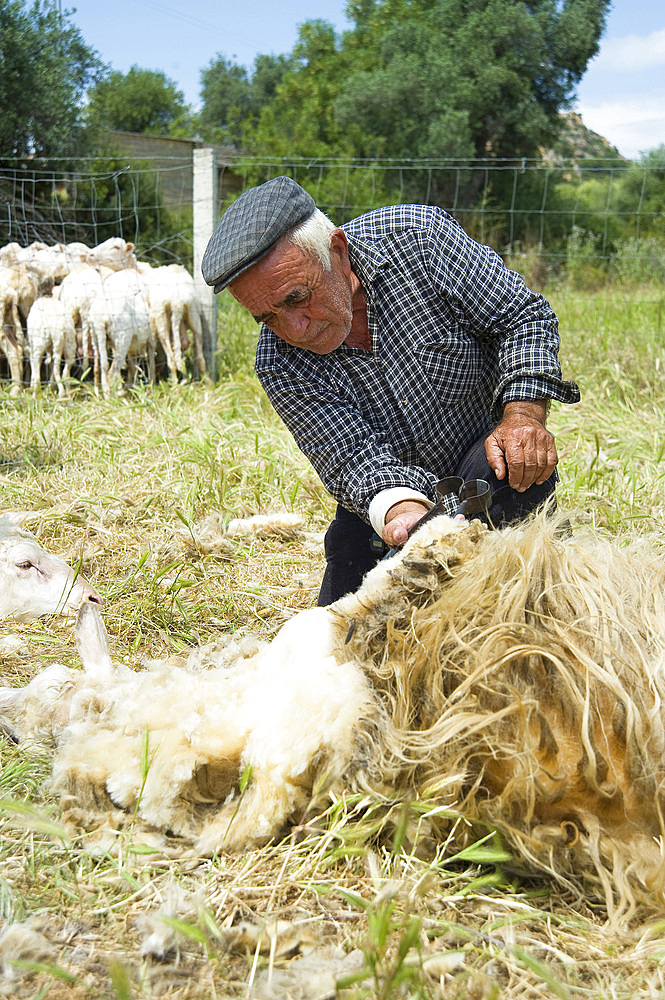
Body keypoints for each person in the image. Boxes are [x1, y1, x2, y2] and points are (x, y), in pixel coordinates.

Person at [202, 175, 580, 605]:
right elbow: (351, 459)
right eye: (267, 317)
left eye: (296, 297)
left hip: (485, 468)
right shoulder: (278, 362)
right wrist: (403, 513)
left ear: (338, 253)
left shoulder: (419, 241)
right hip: (387, 504)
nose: (295, 328)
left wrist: (523, 417)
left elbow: (520, 316)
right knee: (344, 636)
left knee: (517, 583)